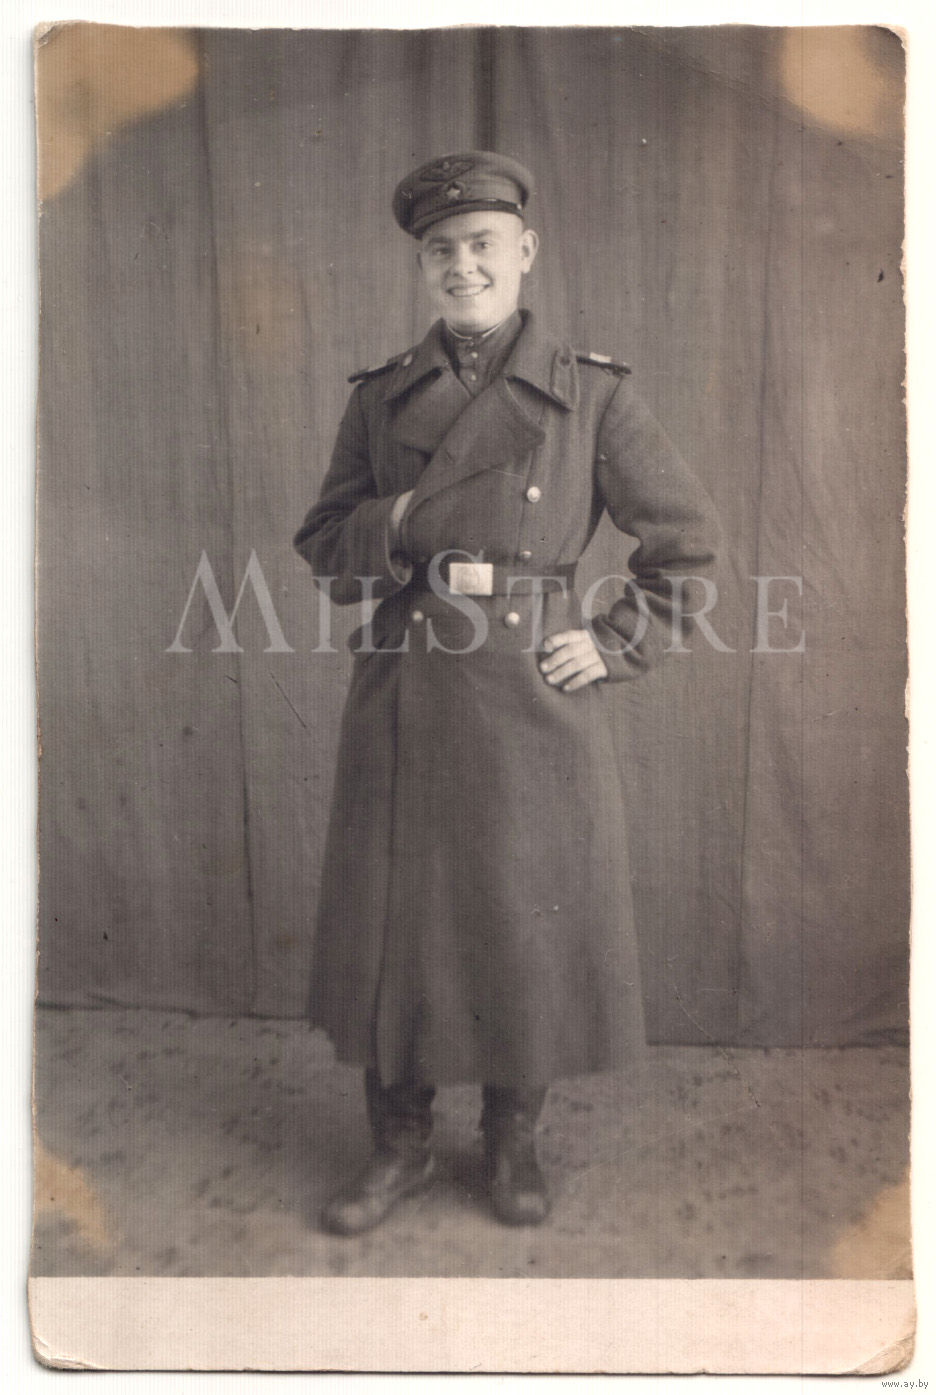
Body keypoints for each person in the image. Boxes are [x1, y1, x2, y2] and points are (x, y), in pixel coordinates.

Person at [294, 151, 719, 1236]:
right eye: (441, 249)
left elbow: (684, 546)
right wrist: (394, 524)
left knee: (521, 917)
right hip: (406, 684)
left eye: (483, 244)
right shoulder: (382, 398)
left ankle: (510, 1138)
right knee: (398, 918)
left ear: (525, 253)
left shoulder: (593, 394)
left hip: (528, 690)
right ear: (422, 267)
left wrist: (615, 643)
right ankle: (397, 1145)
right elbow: (325, 544)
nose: (463, 265)